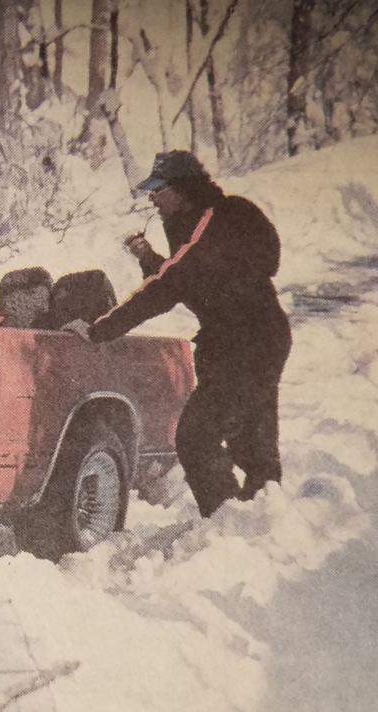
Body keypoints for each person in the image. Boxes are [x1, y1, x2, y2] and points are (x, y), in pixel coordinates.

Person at [63, 150, 291, 518]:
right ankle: (259, 521)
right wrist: (147, 257)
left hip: (246, 344)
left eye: (159, 190)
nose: (152, 198)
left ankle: (228, 520)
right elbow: (186, 277)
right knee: (250, 439)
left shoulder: (216, 219)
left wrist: (97, 331)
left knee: (196, 437)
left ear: (184, 189)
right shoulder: (202, 226)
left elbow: (171, 284)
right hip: (250, 340)